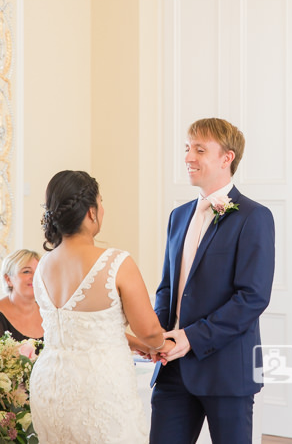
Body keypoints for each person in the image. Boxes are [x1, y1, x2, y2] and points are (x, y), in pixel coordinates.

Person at [150, 117, 275, 444]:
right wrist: (159, 336)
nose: (189, 157)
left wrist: (190, 337)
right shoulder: (178, 217)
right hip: (172, 370)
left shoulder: (254, 217)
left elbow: (252, 297)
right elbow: (167, 286)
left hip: (228, 370)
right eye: (187, 148)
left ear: (226, 158)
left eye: (200, 150)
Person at [29, 170, 173, 444]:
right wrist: (161, 344)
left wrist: (133, 343)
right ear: (91, 213)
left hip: (49, 387)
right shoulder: (117, 263)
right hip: (99, 389)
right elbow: (150, 332)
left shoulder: (42, 267)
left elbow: (78, 329)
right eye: (101, 202)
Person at [0, 248, 43, 342]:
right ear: (8, 279)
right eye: (26, 271)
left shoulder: (48, 313)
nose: (34, 277)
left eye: (38, 272)